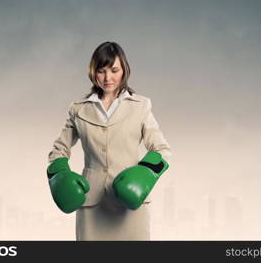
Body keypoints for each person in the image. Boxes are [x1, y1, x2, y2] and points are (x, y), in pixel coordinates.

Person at [47, 41, 172, 240]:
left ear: (124, 70)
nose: (108, 78)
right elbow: (58, 152)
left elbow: (162, 149)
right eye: (101, 70)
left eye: (114, 70)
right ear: (93, 72)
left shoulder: (140, 106)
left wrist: (145, 174)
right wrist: (60, 174)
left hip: (132, 201)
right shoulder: (78, 109)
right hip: (91, 203)